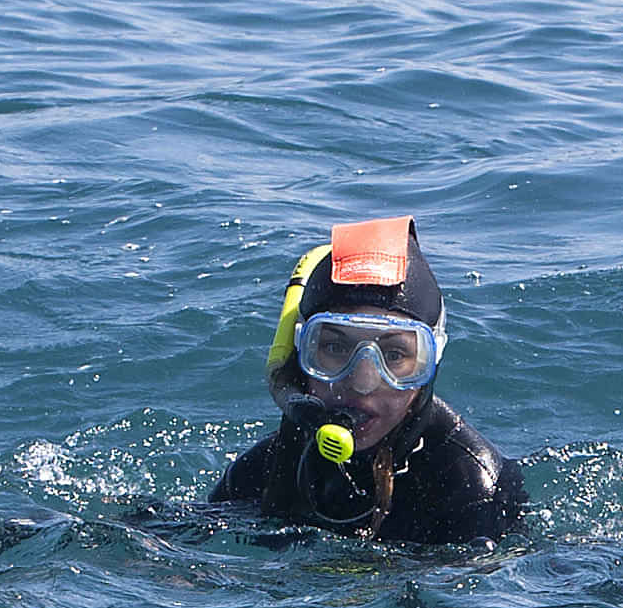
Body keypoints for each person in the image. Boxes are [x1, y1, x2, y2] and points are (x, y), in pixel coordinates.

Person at [211, 215, 525, 544]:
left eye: (393, 355)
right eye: (334, 347)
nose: (362, 381)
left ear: (430, 363)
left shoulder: (474, 488)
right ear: (300, 353)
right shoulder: (266, 469)